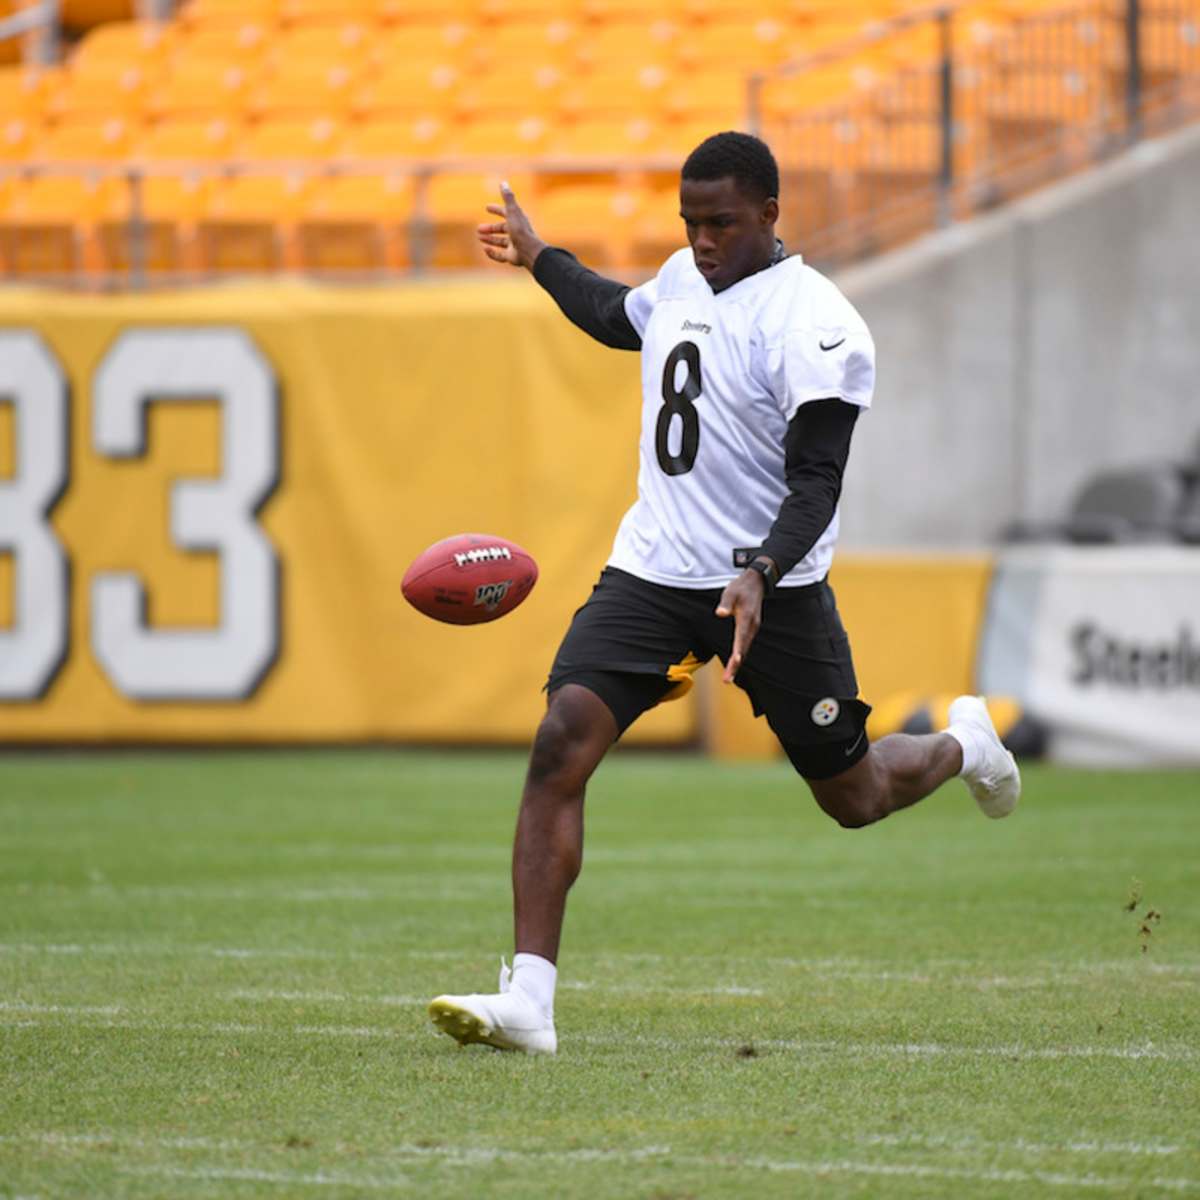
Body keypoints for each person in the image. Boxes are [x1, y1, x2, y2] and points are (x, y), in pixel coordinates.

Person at [428, 132, 1019, 1056]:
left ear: (772, 215)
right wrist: (540, 256)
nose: (703, 241)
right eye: (691, 222)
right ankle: (530, 1002)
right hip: (654, 571)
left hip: (771, 590)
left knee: (854, 795)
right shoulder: (681, 277)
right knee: (559, 743)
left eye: (722, 224)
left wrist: (760, 572)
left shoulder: (816, 322)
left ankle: (964, 744)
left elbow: (817, 481)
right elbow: (617, 314)